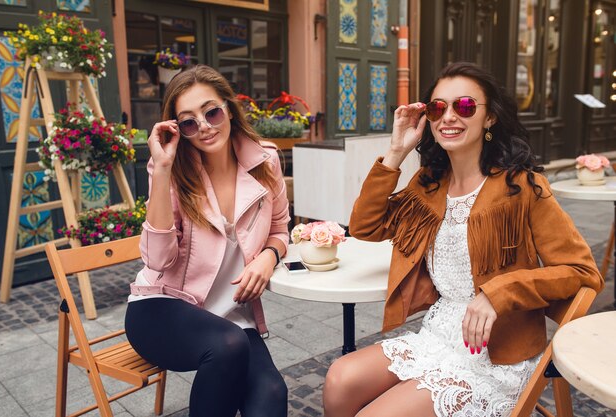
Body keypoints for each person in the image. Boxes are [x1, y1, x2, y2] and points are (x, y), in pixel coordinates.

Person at [323, 62, 604, 417]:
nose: (449, 117)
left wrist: (498, 293)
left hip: (498, 351)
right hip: (440, 334)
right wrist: (396, 153)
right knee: (338, 379)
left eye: (466, 106)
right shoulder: (429, 183)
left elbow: (583, 273)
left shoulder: (523, 188)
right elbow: (365, 226)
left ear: (490, 119)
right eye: (438, 107)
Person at [125, 64, 290, 417]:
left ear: (228, 108)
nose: (204, 125)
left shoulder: (266, 161)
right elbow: (156, 260)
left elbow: (280, 228)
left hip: (230, 316)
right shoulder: (171, 171)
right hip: (162, 308)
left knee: (273, 393)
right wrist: (163, 169)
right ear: (179, 130)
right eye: (188, 121)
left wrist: (268, 257)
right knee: (227, 346)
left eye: (211, 111)